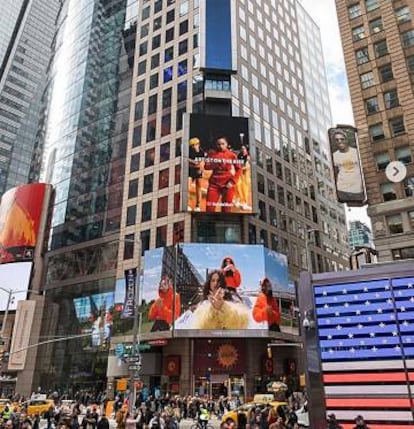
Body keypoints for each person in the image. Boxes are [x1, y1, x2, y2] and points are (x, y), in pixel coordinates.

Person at [204, 136, 242, 213]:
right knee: (209, 209)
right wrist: (216, 163)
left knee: (226, 210)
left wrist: (232, 181)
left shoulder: (232, 155)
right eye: (218, 144)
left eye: (223, 144)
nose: (221, 146)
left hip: (227, 184)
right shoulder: (211, 154)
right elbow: (206, 167)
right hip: (214, 184)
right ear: (216, 145)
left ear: (227, 144)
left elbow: (239, 169)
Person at [331, 129, 364, 203]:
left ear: (346, 140)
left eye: (342, 139)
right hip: (342, 190)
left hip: (357, 190)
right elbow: (334, 173)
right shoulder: (334, 156)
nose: (339, 141)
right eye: (337, 140)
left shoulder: (356, 152)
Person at [188, 137, 206, 212]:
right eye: (192, 145)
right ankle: (187, 204)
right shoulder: (189, 152)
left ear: (198, 144)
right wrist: (193, 162)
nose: (193, 147)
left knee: (199, 187)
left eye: (194, 145)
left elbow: (202, 163)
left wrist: (200, 169)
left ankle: (198, 205)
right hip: (190, 170)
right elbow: (186, 159)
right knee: (187, 187)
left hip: (198, 171)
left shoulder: (201, 152)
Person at [235, 144, 251, 210]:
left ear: (246, 149)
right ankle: (237, 200)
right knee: (237, 186)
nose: (242, 150)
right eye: (241, 148)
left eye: (244, 148)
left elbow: (248, 166)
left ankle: (245, 203)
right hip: (240, 173)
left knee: (245, 188)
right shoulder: (239, 155)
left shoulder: (248, 156)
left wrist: (242, 168)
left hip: (246, 175)